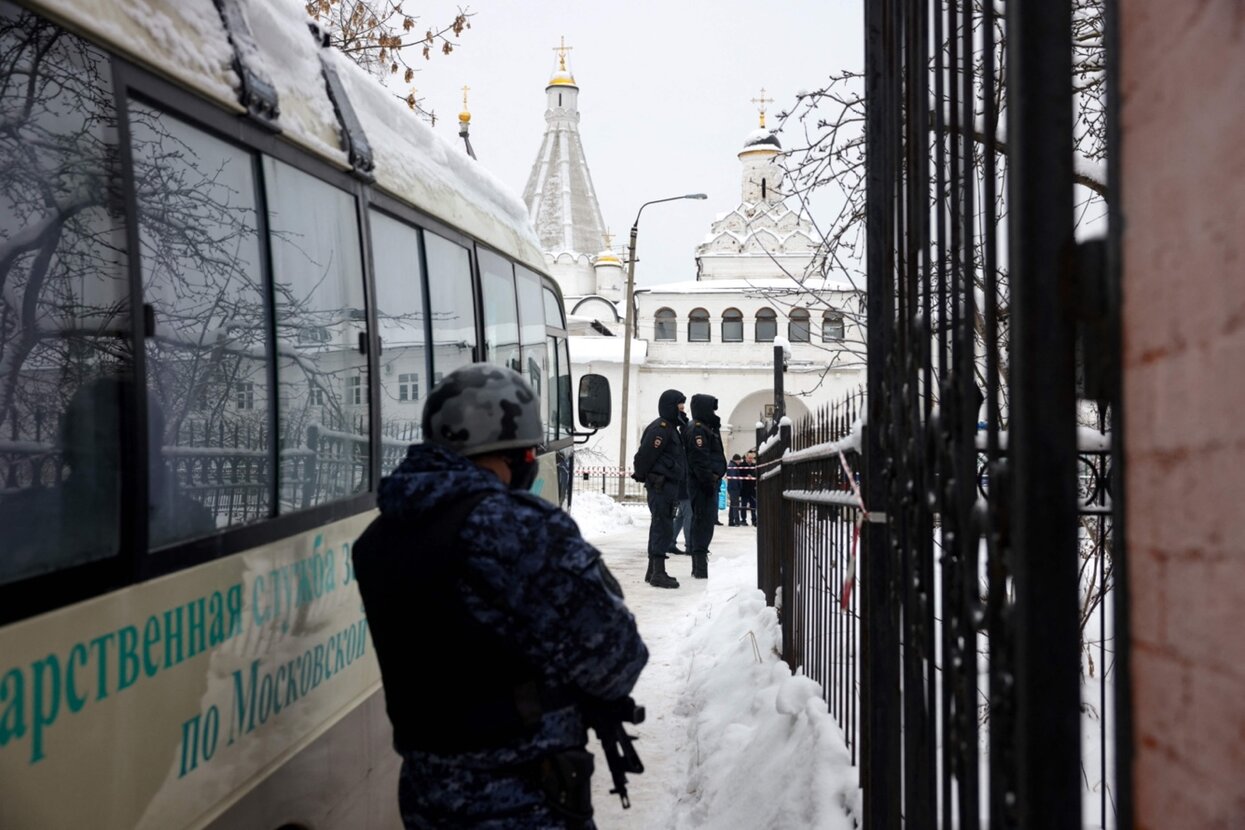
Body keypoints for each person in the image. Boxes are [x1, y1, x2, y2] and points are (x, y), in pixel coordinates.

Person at [352, 364, 649, 829]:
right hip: (519, 798)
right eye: (527, 451)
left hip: (426, 792)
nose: (531, 462)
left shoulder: (381, 535)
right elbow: (617, 659)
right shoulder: (517, 527)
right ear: (506, 453)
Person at [631, 389, 686, 589]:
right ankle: (658, 572)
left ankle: (652, 570)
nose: (683, 409)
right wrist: (642, 474)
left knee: (661, 525)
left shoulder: (671, 428)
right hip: (660, 485)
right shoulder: (661, 428)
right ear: (671, 406)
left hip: (666, 485)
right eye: (680, 405)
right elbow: (645, 455)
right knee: (662, 527)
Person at [685, 395, 726, 579]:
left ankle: (698, 563)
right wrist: (709, 481)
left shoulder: (706, 428)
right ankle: (699, 566)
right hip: (703, 485)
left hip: (706, 483)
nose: (714, 413)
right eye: (712, 409)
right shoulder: (698, 430)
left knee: (703, 522)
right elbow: (699, 459)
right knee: (702, 522)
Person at [738, 449, 758, 526]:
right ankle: (743, 519)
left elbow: (756, 475)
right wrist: (746, 476)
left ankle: (754, 520)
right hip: (744, 489)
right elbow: (739, 475)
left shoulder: (754, 466)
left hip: (752, 489)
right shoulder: (742, 466)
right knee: (744, 505)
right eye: (749, 458)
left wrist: (752, 476)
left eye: (751, 458)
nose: (750, 459)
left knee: (753, 505)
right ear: (746, 458)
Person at [726, 454, 743, 526]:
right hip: (734, 489)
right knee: (735, 505)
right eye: (739, 460)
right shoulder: (733, 466)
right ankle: (736, 521)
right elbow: (734, 479)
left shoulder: (732, 465)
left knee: (733, 505)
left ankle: (731, 521)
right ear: (736, 460)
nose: (740, 462)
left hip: (732, 488)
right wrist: (738, 487)